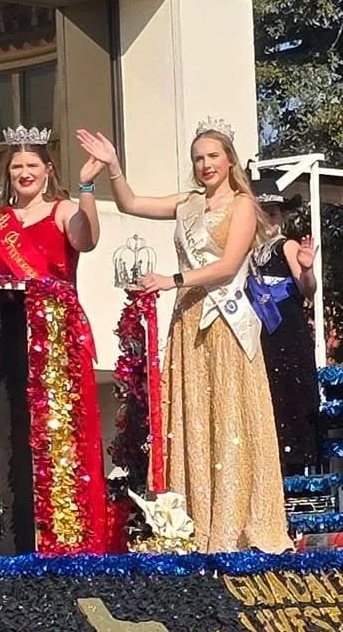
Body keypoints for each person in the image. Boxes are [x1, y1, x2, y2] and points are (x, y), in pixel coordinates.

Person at [78, 122, 292, 554]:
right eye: (198, 158)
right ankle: (194, 520)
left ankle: (235, 522)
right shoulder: (188, 204)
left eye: (213, 156)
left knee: (230, 417)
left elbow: (228, 267)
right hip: (189, 323)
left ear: (229, 159)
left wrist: (170, 279)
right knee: (193, 417)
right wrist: (111, 167)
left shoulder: (244, 205)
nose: (205, 164)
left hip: (225, 321)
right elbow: (131, 203)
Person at [0, 127, 109, 552]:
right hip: (7, 340)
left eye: (33, 165)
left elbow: (86, 240)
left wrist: (87, 185)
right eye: (17, 166)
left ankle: (67, 540)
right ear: (8, 175)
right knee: (10, 438)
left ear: (48, 172)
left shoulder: (64, 210)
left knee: (62, 440)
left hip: (56, 342)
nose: (25, 172)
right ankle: (13, 541)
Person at [247, 194, 323, 478]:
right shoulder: (247, 253)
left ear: (282, 217)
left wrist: (306, 269)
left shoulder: (286, 245)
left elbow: (307, 289)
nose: (269, 218)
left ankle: (297, 454)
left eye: (274, 213)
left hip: (286, 327)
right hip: (260, 330)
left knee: (290, 386)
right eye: (263, 212)